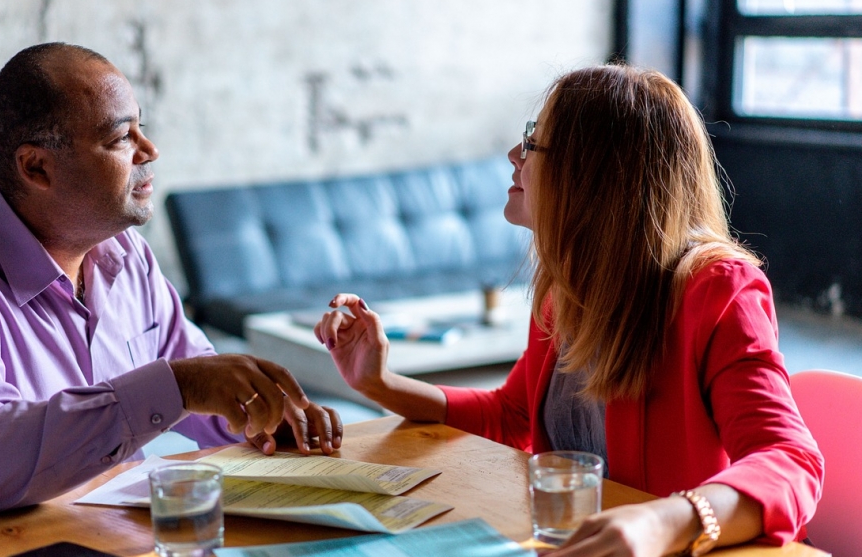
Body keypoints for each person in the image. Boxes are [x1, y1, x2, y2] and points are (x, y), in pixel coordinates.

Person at [315, 65, 823, 556]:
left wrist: (663, 520)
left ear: (594, 173)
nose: (515, 154)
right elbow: (511, 415)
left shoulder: (717, 290)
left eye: (534, 141)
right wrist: (380, 384)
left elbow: (790, 461)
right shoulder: (571, 287)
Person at [0, 42, 341, 517]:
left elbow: (200, 382)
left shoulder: (127, 257)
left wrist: (265, 415)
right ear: (37, 167)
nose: (149, 151)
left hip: (130, 537)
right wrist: (178, 387)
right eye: (119, 138)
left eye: (140, 128)